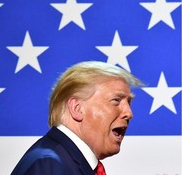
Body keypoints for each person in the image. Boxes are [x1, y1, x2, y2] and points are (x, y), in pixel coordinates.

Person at [11, 61, 143, 175]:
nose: (129, 113)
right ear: (77, 108)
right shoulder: (49, 165)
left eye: (129, 103)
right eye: (116, 100)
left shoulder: (65, 161)